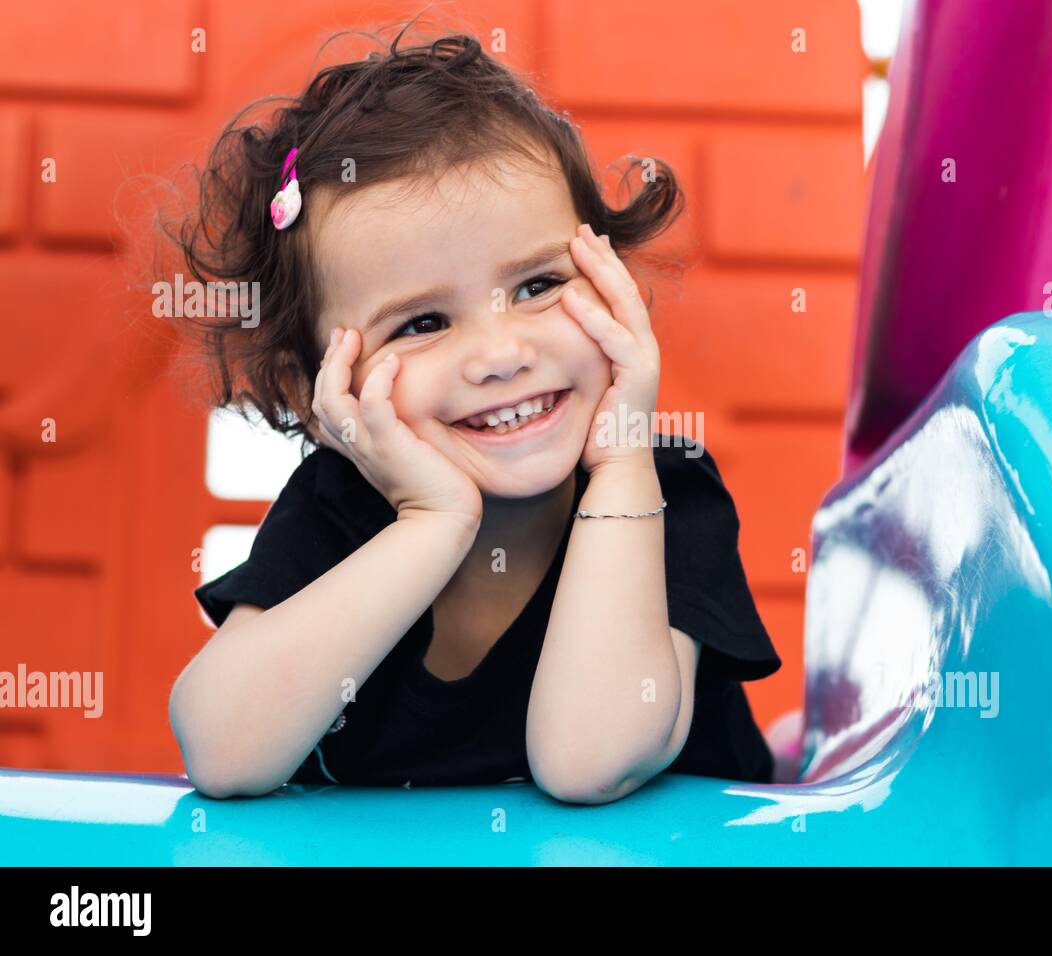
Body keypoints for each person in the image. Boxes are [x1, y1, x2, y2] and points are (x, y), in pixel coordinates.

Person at [164, 26, 782, 804]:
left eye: (537, 285)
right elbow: (220, 749)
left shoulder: (661, 492)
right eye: (422, 324)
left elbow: (590, 758)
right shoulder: (338, 511)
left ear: (613, 286)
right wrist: (433, 522)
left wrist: (622, 464)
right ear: (317, 392)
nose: (499, 354)